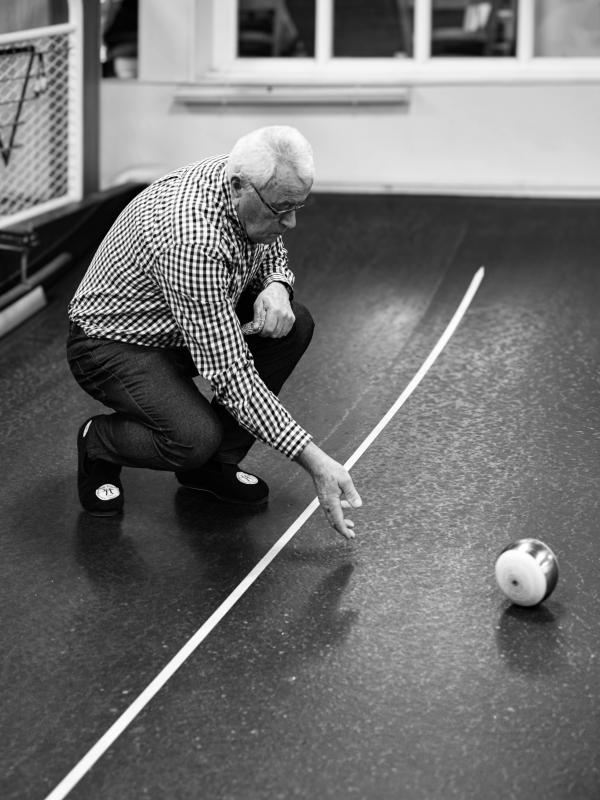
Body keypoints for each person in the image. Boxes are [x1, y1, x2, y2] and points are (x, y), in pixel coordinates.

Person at [67, 125, 362, 539]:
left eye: (299, 206)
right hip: (113, 344)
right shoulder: (192, 239)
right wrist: (316, 461)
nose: (291, 222)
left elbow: (267, 242)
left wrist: (277, 284)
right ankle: (100, 443)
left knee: (293, 322)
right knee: (192, 439)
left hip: (180, 322)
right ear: (241, 187)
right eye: (282, 209)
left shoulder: (242, 184)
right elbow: (231, 376)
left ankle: (210, 470)